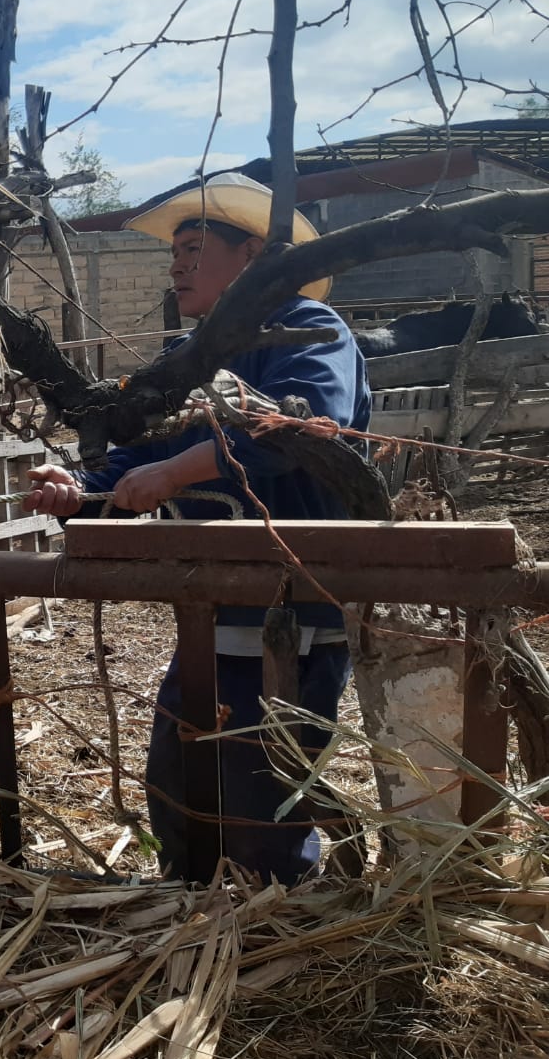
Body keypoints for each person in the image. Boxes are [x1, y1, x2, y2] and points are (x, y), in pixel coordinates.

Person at [23, 172, 370, 884]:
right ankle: (187, 895)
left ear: (251, 256)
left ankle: (272, 909)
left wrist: (181, 471)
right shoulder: (193, 358)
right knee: (181, 763)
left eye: (192, 247)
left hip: (290, 601)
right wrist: (80, 489)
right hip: (211, 604)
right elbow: (141, 450)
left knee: (263, 772)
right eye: (173, 252)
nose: (175, 264)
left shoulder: (305, 327)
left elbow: (304, 426)